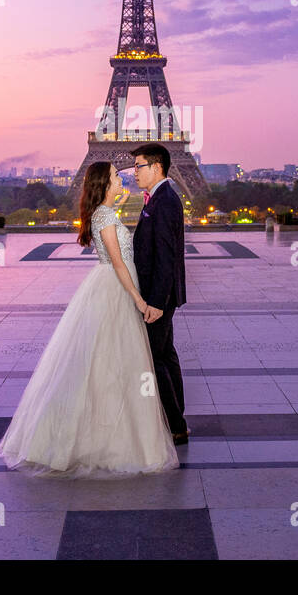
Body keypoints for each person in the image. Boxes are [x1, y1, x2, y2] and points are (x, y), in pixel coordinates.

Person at [0, 161, 179, 478]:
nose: (122, 179)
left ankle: (101, 435)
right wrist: (139, 300)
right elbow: (120, 265)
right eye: (115, 177)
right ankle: (116, 439)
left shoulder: (107, 212)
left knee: (107, 366)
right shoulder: (105, 216)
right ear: (104, 184)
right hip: (116, 290)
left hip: (111, 290)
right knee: (115, 365)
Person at [129, 143, 189, 445]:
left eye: (138, 166)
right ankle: (177, 421)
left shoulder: (164, 201)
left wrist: (156, 303)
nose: (134, 172)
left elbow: (166, 257)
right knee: (166, 355)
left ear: (156, 167)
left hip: (158, 297)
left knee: (155, 358)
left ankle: (175, 425)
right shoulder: (160, 197)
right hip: (163, 294)